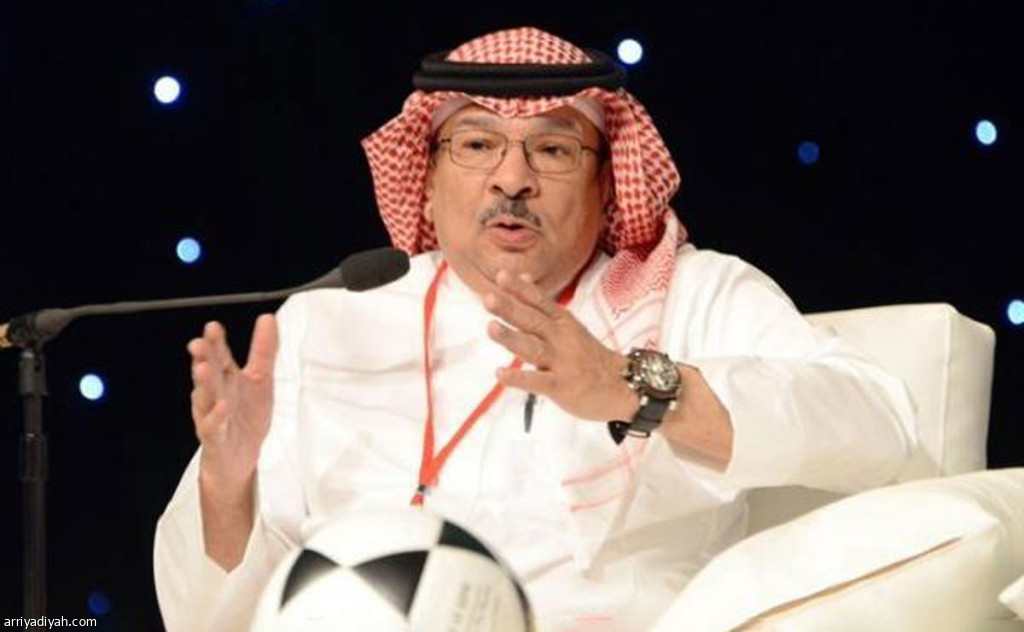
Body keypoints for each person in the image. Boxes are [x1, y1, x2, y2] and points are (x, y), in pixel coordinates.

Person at [154, 27, 916, 632]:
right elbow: (205, 619)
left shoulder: (695, 294)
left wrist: (634, 385)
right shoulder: (330, 320)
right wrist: (228, 485)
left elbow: (880, 426)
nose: (512, 178)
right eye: (476, 144)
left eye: (552, 149)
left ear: (606, 180)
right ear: (428, 177)